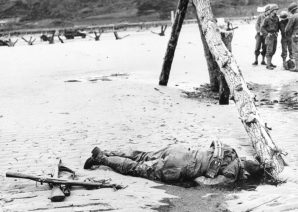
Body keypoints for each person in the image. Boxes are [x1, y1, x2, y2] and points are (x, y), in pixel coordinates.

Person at [84, 141, 263, 186]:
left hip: (181, 149)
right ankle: (102, 158)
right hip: (181, 167)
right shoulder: (232, 175)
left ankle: (109, 151)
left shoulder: (230, 150)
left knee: (142, 156)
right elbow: (204, 183)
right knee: (137, 169)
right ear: (245, 172)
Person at [261, 4, 280, 70]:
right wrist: (267, 34)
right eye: (275, 10)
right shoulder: (267, 18)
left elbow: (277, 26)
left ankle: (270, 62)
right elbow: (262, 27)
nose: (277, 11)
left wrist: (277, 31)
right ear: (272, 10)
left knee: (274, 50)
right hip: (269, 36)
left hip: (274, 36)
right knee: (269, 50)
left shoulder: (277, 18)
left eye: (277, 10)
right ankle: (268, 65)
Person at [285, 2, 298, 72]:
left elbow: (287, 29)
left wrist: (287, 35)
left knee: (296, 52)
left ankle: (297, 67)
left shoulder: (293, 17)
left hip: (296, 36)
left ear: (292, 10)